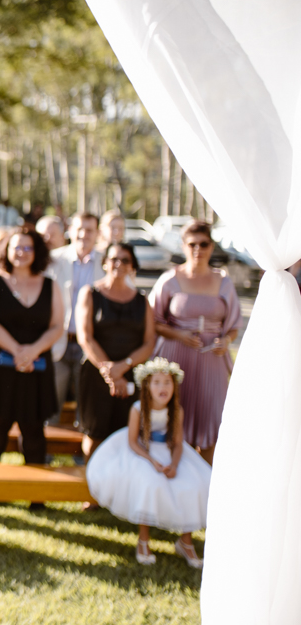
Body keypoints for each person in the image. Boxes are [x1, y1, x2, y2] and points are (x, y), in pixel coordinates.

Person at [86, 359, 210, 568]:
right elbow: (133, 442)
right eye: (157, 383)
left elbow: (178, 443)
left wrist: (175, 464)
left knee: (193, 484)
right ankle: (143, 539)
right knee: (149, 483)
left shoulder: (176, 410)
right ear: (147, 386)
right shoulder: (138, 409)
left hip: (170, 453)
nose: (163, 388)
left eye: (167, 383)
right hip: (142, 452)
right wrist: (152, 461)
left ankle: (185, 542)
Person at [148, 219, 240, 463]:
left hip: (212, 359)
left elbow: (233, 326)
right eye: (192, 244)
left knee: (213, 418)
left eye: (204, 244)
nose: (198, 249)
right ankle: (179, 482)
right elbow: (153, 321)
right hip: (176, 359)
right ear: (183, 246)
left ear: (212, 246)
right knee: (178, 417)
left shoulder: (224, 282)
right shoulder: (169, 279)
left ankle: (207, 488)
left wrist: (225, 341)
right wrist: (179, 335)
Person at [0, 227, 64, 467]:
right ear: (6, 250)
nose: (22, 252)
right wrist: (18, 351)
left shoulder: (50, 284)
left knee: (34, 429)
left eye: (28, 248)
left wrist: (32, 351)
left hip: (36, 367)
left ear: (37, 252)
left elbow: (57, 326)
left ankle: (36, 498)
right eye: (16, 247)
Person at [76, 243, 158, 457]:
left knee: (127, 434)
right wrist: (110, 372)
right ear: (104, 263)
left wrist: (123, 367)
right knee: (95, 435)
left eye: (126, 260)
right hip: (96, 374)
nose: (119, 264)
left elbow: (149, 342)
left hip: (132, 374)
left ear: (133, 266)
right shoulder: (90, 293)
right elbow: (85, 337)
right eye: (114, 259)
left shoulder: (142, 300)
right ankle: (91, 484)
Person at [47, 212, 104, 426]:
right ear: (70, 230)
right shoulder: (54, 259)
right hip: (58, 343)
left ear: (97, 233)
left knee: (87, 408)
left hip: (90, 347)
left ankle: (84, 458)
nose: (83, 234)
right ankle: (45, 456)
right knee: (51, 405)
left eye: (89, 230)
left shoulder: (108, 261)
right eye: (79, 228)